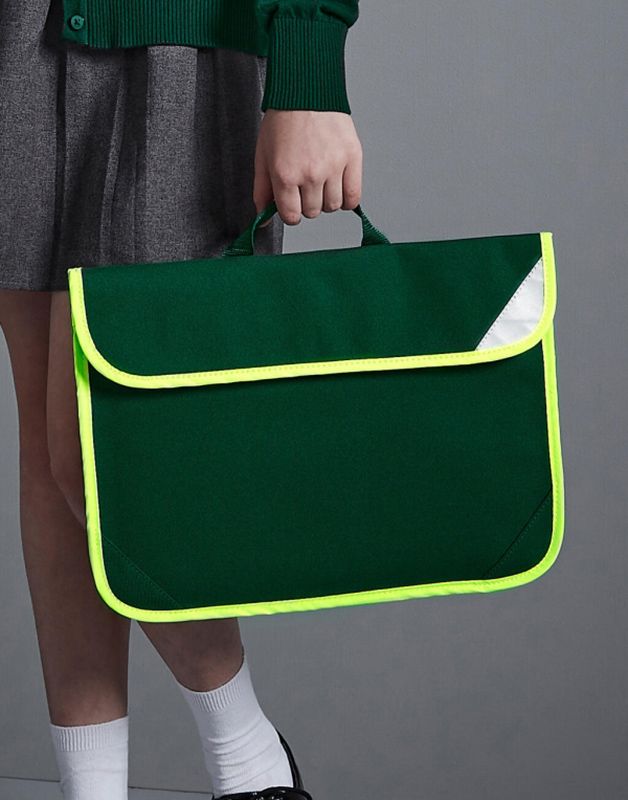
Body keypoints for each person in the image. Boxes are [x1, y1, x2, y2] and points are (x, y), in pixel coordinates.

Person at [0, 1, 363, 798]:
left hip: (180, 43)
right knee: (47, 452)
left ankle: (247, 753)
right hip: (20, 38)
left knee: (101, 453)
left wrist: (310, 73)